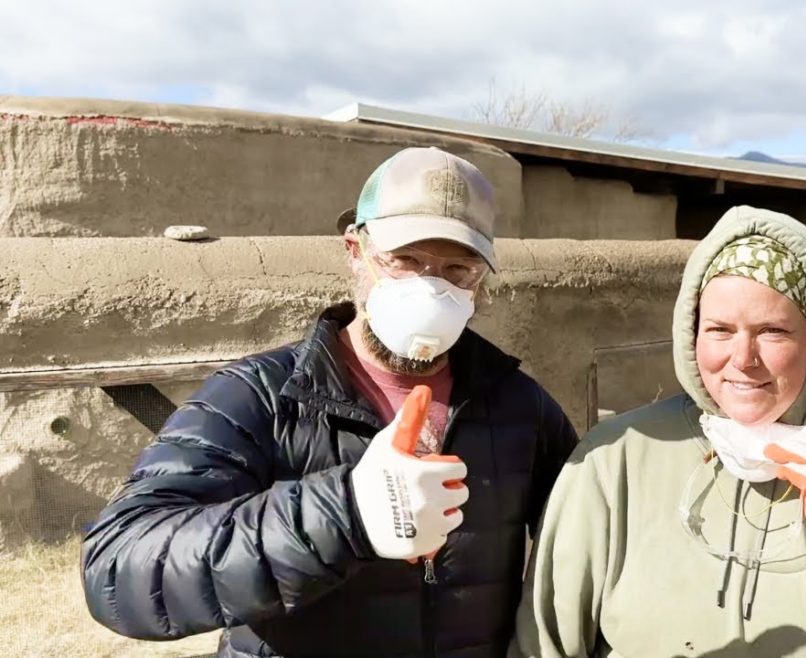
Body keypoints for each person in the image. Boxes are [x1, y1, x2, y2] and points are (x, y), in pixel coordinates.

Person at [82, 147, 579, 658]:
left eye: (459, 270)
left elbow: (588, 540)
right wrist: (345, 513)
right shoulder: (259, 397)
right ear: (354, 250)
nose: (430, 289)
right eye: (404, 261)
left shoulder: (521, 406)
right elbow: (119, 570)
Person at [511, 206, 806, 657]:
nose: (743, 359)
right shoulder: (616, 460)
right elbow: (544, 645)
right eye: (719, 329)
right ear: (691, 332)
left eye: (773, 331)